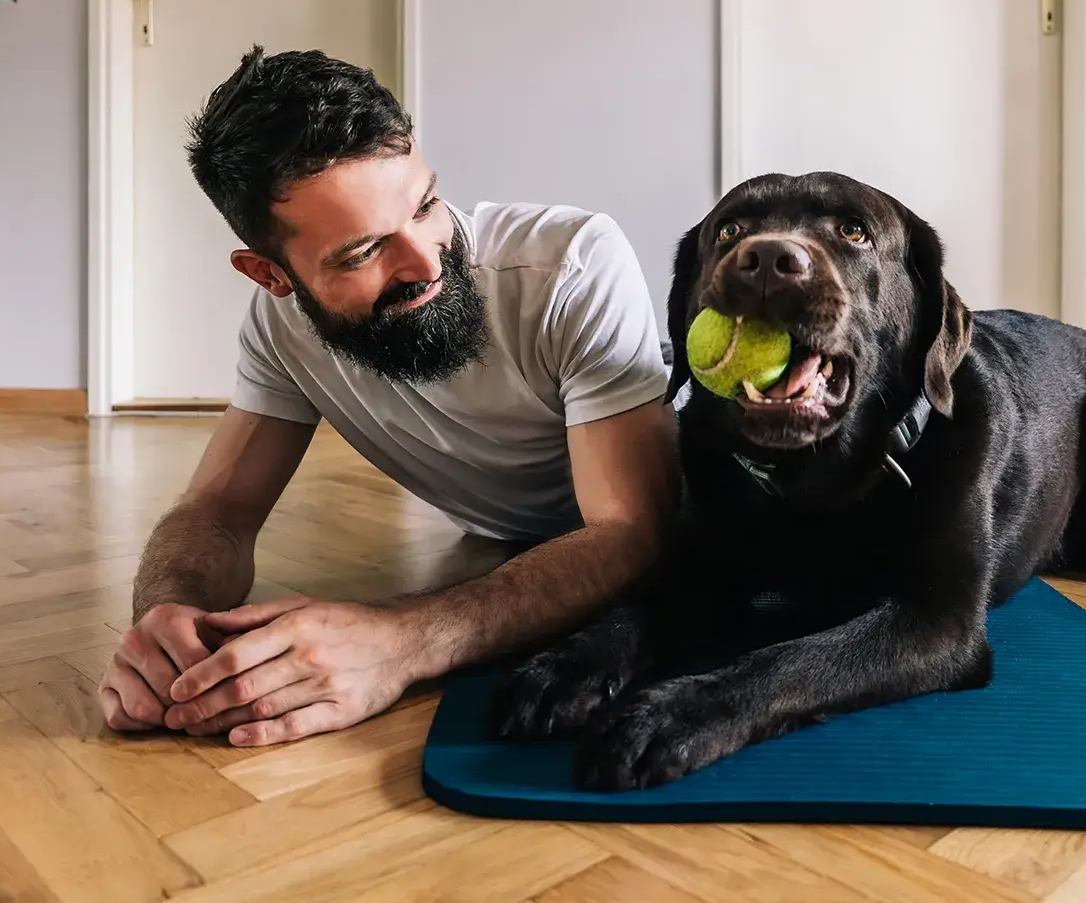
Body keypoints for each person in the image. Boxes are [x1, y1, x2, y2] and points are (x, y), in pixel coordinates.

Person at [97, 47, 680, 747]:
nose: (427, 261)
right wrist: (168, 619)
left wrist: (402, 639)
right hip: (514, 544)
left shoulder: (570, 262)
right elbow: (217, 513)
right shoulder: (283, 328)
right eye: (363, 252)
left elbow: (632, 533)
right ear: (271, 275)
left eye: (426, 204)